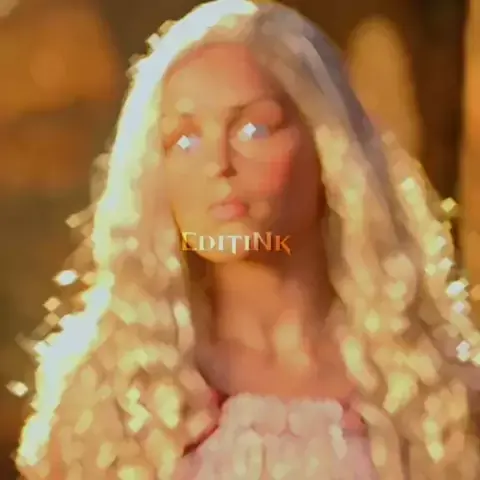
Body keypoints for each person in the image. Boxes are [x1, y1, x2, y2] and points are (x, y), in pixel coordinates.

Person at [15, 0, 480, 478]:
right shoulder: (108, 399)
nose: (218, 164)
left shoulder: (433, 393)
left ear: (327, 147)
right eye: (185, 139)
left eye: (254, 128)